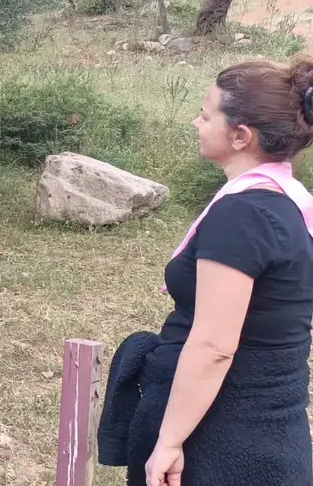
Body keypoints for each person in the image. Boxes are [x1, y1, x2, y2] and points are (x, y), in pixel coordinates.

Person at [98, 57, 313, 486]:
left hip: (221, 438)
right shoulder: (291, 204)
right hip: (271, 429)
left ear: (240, 135)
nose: (195, 122)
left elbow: (214, 345)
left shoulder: (243, 214)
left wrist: (170, 441)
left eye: (205, 114)